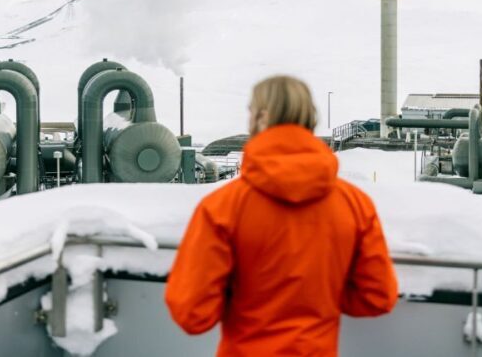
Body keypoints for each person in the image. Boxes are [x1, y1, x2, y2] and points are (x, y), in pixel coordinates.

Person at [165, 75, 398, 356]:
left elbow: (192, 313)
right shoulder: (355, 204)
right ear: (310, 118)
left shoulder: (222, 207)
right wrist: (321, 299)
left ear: (261, 118)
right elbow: (378, 297)